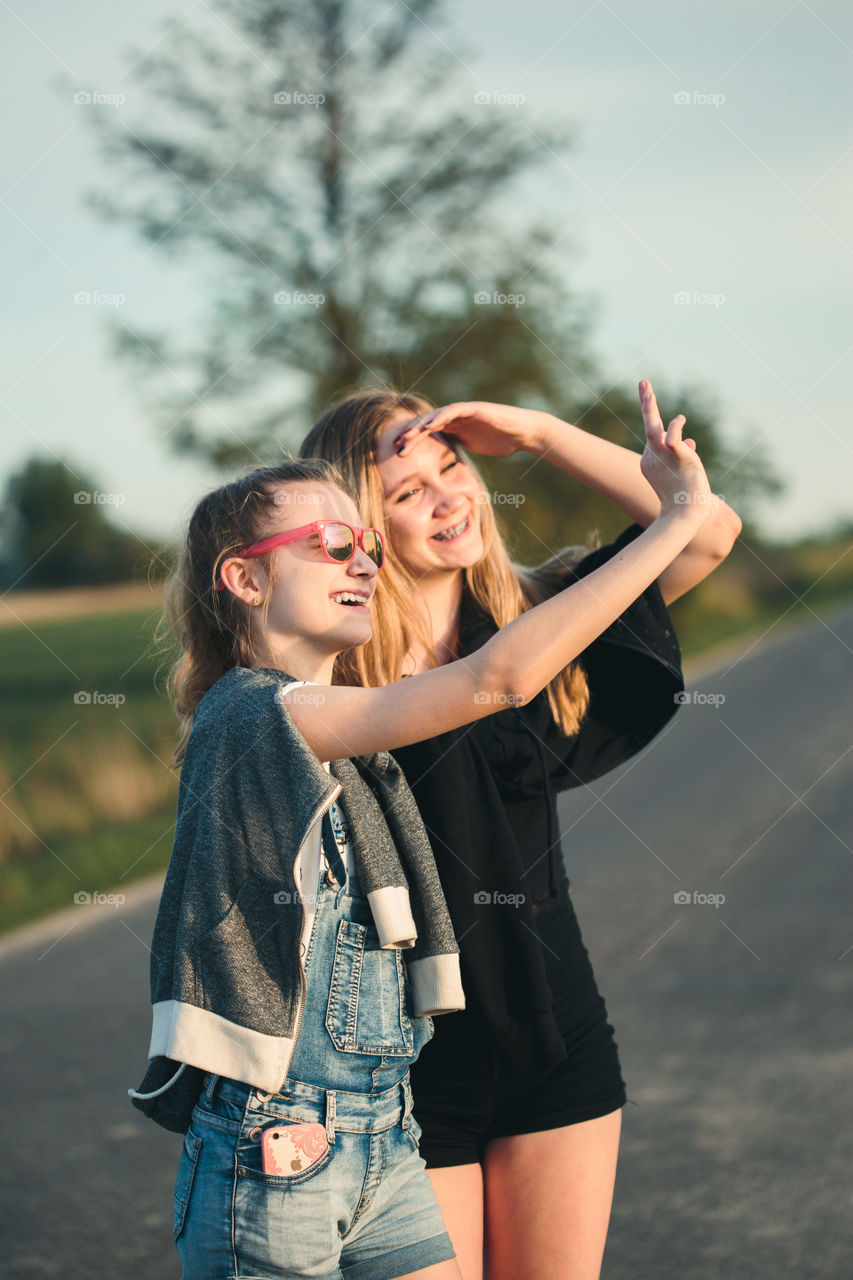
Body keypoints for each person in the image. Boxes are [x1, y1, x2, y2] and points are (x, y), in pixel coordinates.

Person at [300, 380, 742, 1280]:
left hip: (554, 1033)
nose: (446, 497)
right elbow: (490, 681)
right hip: (398, 1059)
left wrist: (536, 429)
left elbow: (704, 532)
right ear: (361, 527)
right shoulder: (330, 669)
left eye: (452, 467)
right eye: (406, 490)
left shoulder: (550, 616)